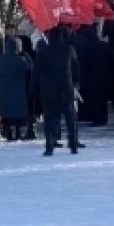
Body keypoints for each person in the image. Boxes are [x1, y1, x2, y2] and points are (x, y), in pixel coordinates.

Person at [35, 25, 81, 156]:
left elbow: (37, 71)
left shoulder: (44, 51)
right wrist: (76, 84)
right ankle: (73, 144)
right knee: (70, 117)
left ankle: (49, 145)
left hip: (49, 89)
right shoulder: (69, 50)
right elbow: (77, 69)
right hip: (66, 87)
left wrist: (35, 86)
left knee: (49, 118)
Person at [0, 36, 32, 141]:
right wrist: (26, 55)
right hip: (19, 90)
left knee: (6, 112)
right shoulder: (21, 60)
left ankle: (8, 133)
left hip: (4, 90)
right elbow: (30, 68)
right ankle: (18, 132)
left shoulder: (0, 59)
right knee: (18, 113)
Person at [75, 24, 111, 126]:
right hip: (104, 76)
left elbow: (82, 62)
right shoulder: (104, 45)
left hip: (90, 78)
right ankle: (103, 118)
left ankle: (96, 119)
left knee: (94, 99)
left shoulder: (85, 47)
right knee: (102, 99)